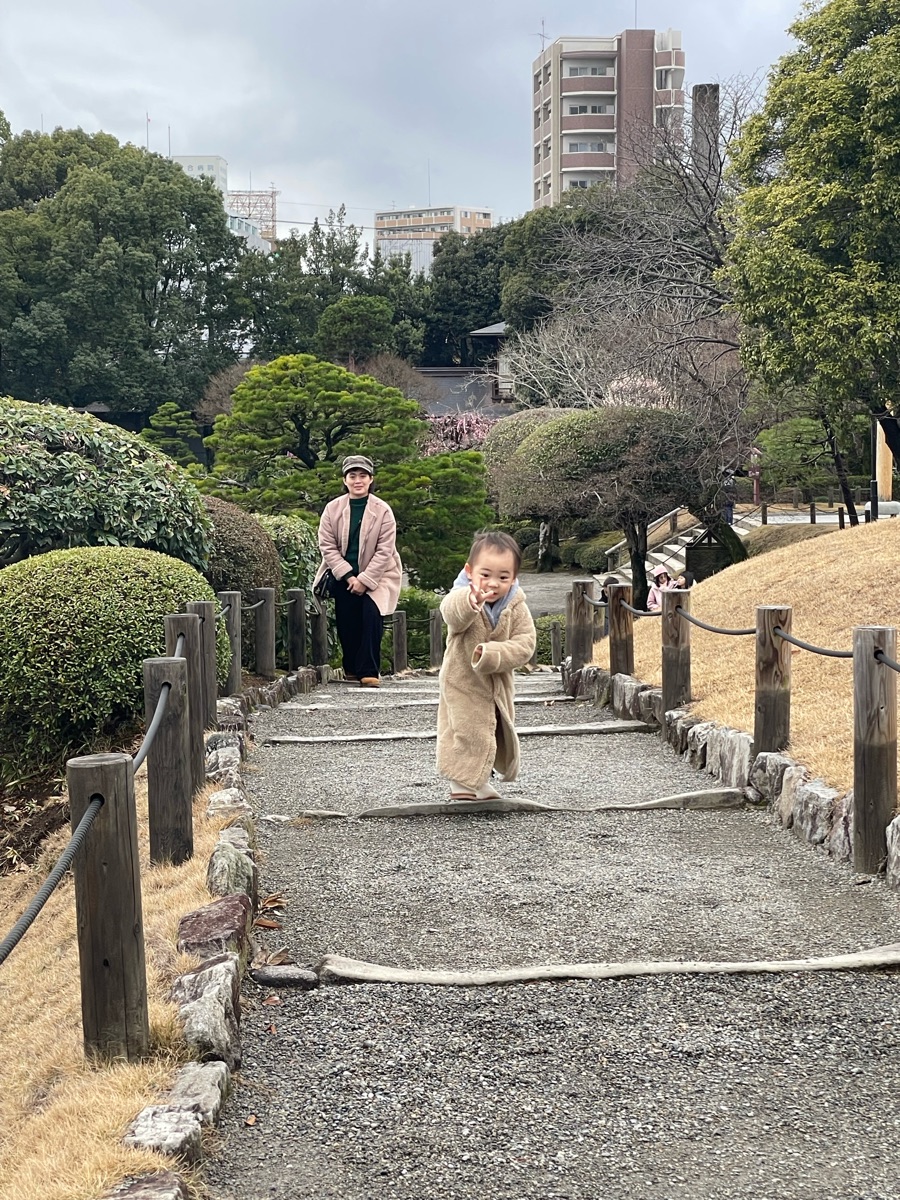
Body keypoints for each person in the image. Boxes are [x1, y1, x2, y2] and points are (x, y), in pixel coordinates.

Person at [436, 531, 536, 802]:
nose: (493, 583)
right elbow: (451, 615)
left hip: (498, 686)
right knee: (467, 730)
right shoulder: (461, 597)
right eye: (485, 575)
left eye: (503, 577)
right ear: (470, 572)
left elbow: (526, 643)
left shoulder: (516, 605)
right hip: (462, 680)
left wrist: (493, 653)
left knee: (491, 731)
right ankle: (462, 783)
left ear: (514, 578)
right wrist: (470, 603)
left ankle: (478, 780)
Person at [314, 455, 402, 688]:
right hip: (343, 573)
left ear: (371, 479)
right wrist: (349, 575)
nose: (358, 480)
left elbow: (385, 550)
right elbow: (327, 545)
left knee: (372, 614)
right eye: (352, 476)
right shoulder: (333, 509)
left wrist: (365, 579)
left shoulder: (383, 510)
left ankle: (369, 670)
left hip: (379, 574)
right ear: (345, 480)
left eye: (363, 476)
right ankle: (351, 667)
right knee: (347, 620)